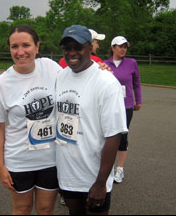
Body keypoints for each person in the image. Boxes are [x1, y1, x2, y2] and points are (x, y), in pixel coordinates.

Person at [0, 25, 61, 215]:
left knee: (45, 209)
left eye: (26, 45)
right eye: (14, 47)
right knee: (22, 209)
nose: (20, 52)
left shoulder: (50, 68)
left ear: (37, 46)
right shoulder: (1, 83)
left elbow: (77, 78)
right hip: (19, 160)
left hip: (51, 159)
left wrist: (98, 69)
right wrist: (0, 167)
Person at [55, 25, 128, 215]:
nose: (71, 53)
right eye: (67, 48)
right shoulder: (61, 76)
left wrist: (101, 182)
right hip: (68, 176)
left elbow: (114, 136)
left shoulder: (105, 82)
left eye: (77, 47)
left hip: (94, 178)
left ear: (90, 48)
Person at [104, 36, 142, 184]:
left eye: (125, 46)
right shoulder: (104, 64)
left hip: (126, 106)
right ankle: (106, 167)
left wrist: (138, 100)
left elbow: (137, 83)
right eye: (120, 46)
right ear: (113, 48)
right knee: (107, 136)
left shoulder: (132, 63)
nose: (123, 49)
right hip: (109, 105)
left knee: (122, 136)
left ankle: (119, 168)